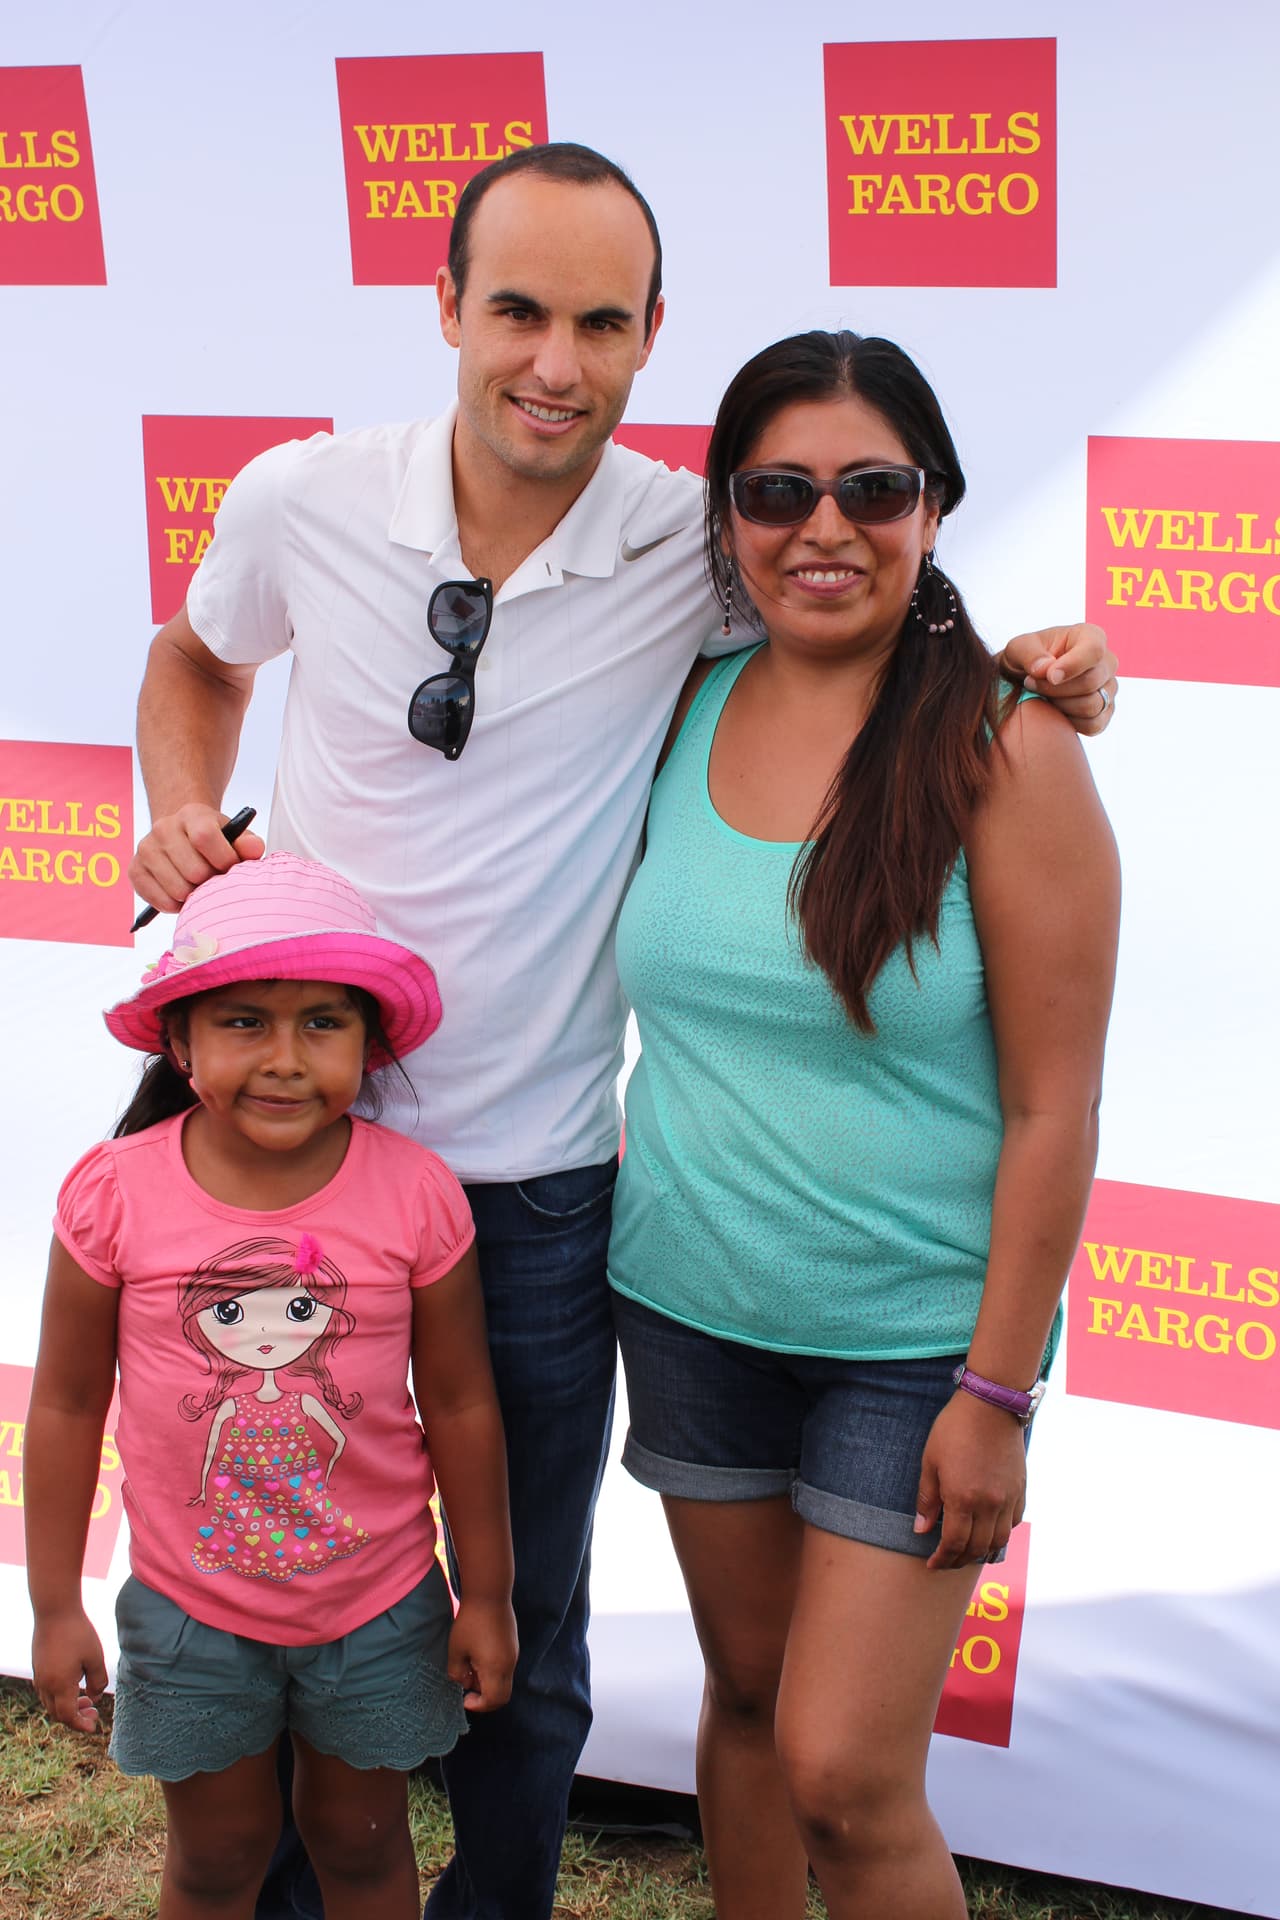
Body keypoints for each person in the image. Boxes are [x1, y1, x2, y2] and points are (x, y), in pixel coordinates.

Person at [125, 143, 1119, 1920]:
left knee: (537, 1629)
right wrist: (180, 810)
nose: (553, 363)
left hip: (541, 1196)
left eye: (600, 320)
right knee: (260, 1583)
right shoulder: (301, 499)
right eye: (516, 309)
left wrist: (1050, 665)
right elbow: (195, 656)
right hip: (281, 1148)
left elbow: (873, 597)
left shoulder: (696, 539)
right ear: (444, 308)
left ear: (654, 335)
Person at [607, 328, 1122, 1920]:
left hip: (915, 1348)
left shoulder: (1008, 747)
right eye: (777, 491)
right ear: (727, 518)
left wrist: (994, 1390)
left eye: (871, 488)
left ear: (935, 507)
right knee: (749, 1710)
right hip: (688, 1308)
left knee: (845, 1768)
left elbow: (1056, 1107)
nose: (823, 528)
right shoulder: (670, 705)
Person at [24, 853, 517, 1920]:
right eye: (243, 1021)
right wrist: (54, 1603)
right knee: (217, 1856)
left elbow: (464, 1403)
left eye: (322, 1024)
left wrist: (486, 1592)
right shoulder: (112, 1196)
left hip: (380, 1606)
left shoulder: (417, 1196)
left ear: (370, 1041)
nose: (285, 1060)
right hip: (189, 1612)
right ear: (180, 1041)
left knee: (360, 1844)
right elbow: (65, 1403)